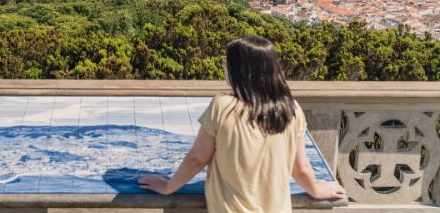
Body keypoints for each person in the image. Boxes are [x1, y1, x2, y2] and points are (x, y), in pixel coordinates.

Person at [139, 35, 346, 212]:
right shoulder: (292, 110)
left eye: (226, 63)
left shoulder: (223, 107)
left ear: (239, 71)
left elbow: (197, 158)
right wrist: (317, 190)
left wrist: (168, 186)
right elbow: (300, 168)